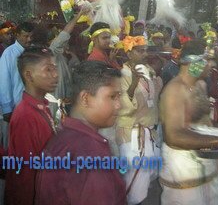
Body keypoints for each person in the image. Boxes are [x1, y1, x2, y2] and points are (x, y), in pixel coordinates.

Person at [159, 40, 218, 205]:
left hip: (205, 162)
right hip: (182, 169)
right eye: (208, 60)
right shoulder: (174, 90)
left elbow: (202, 123)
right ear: (195, 63)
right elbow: (173, 135)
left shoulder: (199, 85)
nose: (211, 65)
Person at [35, 61, 126, 205]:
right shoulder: (90, 153)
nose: (119, 105)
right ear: (85, 98)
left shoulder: (66, 136)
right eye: (112, 96)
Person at [5, 47, 58, 205]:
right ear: (29, 75)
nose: (55, 74)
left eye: (55, 68)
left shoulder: (41, 106)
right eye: (48, 70)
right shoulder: (26, 116)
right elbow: (25, 175)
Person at [115, 35, 162, 205]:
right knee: (136, 174)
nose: (144, 53)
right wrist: (134, 83)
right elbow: (123, 105)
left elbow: (154, 98)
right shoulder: (122, 75)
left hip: (148, 130)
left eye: (145, 50)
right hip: (130, 131)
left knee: (149, 172)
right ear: (129, 54)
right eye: (139, 50)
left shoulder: (149, 70)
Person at [0, 21, 34, 123]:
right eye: (26, 36)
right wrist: (7, 109)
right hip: (16, 107)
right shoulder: (9, 54)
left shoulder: (33, 52)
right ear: (17, 35)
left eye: (31, 36)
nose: (29, 39)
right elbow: (4, 82)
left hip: (31, 106)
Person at [50, 12, 84, 101]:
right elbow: (64, 34)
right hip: (55, 103)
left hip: (65, 100)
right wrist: (79, 15)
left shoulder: (67, 56)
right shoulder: (52, 52)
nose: (65, 44)